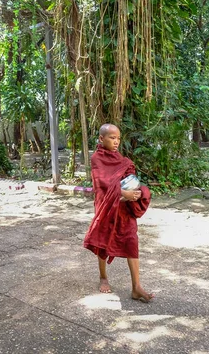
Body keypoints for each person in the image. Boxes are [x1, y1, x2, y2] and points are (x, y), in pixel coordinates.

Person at [83, 123, 154, 303]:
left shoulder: (119, 158)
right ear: (101, 139)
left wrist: (136, 191)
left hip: (123, 208)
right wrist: (123, 194)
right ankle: (103, 277)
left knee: (131, 241)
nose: (116, 142)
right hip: (107, 206)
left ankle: (136, 287)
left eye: (118, 139)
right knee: (103, 240)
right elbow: (103, 185)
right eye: (112, 138)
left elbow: (126, 176)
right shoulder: (96, 159)